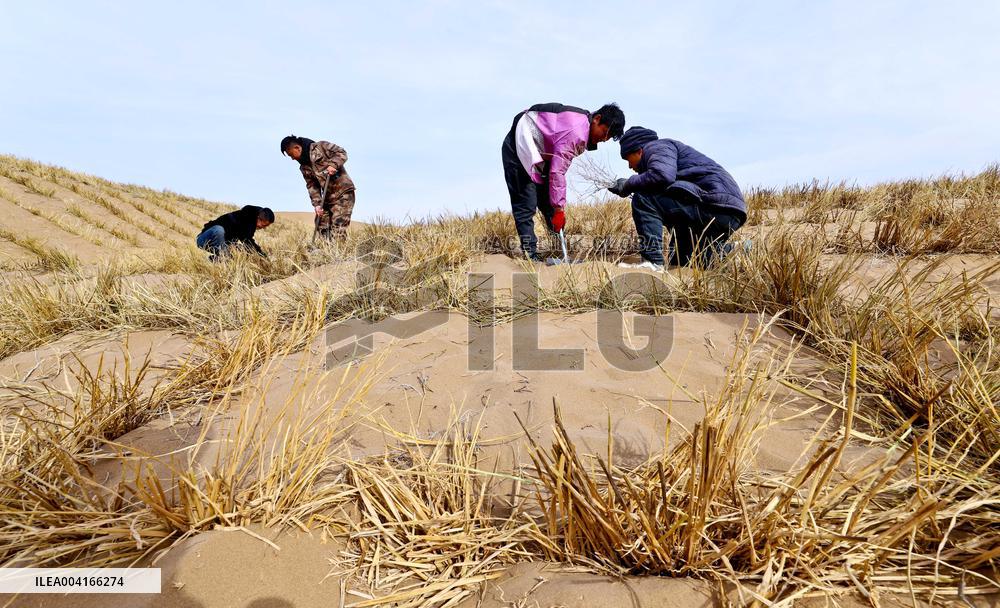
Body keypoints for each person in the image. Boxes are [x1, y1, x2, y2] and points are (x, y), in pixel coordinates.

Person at [609, 127, 746, 269]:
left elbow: (662, 175)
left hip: (714, 206)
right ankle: (734, 252)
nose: (629, 166)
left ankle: (652, 264)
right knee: (682, 264)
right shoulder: (665, 153)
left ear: (639, 150)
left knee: (643, 198)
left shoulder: (656, 147)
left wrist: (629, 183)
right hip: (729, 213)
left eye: (628, 159)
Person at [502, 103, 625, 260]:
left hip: (542, 152)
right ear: (597, 119)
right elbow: (557, 171)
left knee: (548, 203)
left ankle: (558, 250)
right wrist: (560, 209)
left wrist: (556, 208)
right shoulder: (576, 132)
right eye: (605, 132)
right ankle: (530, 255)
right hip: (519, 143)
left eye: (609, 137)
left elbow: (555, 170)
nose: (605, 139)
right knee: (526, 202)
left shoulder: (584, 126)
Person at [281, 135, 356, 240]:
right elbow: (312, 186)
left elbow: (341, 152)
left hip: (342, 194)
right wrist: (316, 205)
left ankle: (339, 253)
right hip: (326, 198)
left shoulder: (321, 147)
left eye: (291, 155)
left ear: (297, 148)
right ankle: (325, 252)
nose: (292, 158)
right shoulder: (304, 167)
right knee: (321, 226)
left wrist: (334, 165)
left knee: (338, 228)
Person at [196, 205, 274, 261]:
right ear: (259, 219)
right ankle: (223, 257)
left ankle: (210, 260)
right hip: (204, 240)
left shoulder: (251, 222)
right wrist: (262, 254)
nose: (262, 227)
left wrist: (261, 256)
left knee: (242, 251)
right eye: (264, 225)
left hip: (221, 244)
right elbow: (246, 240)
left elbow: (247, 242)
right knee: (219, 230)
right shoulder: (245, 218)